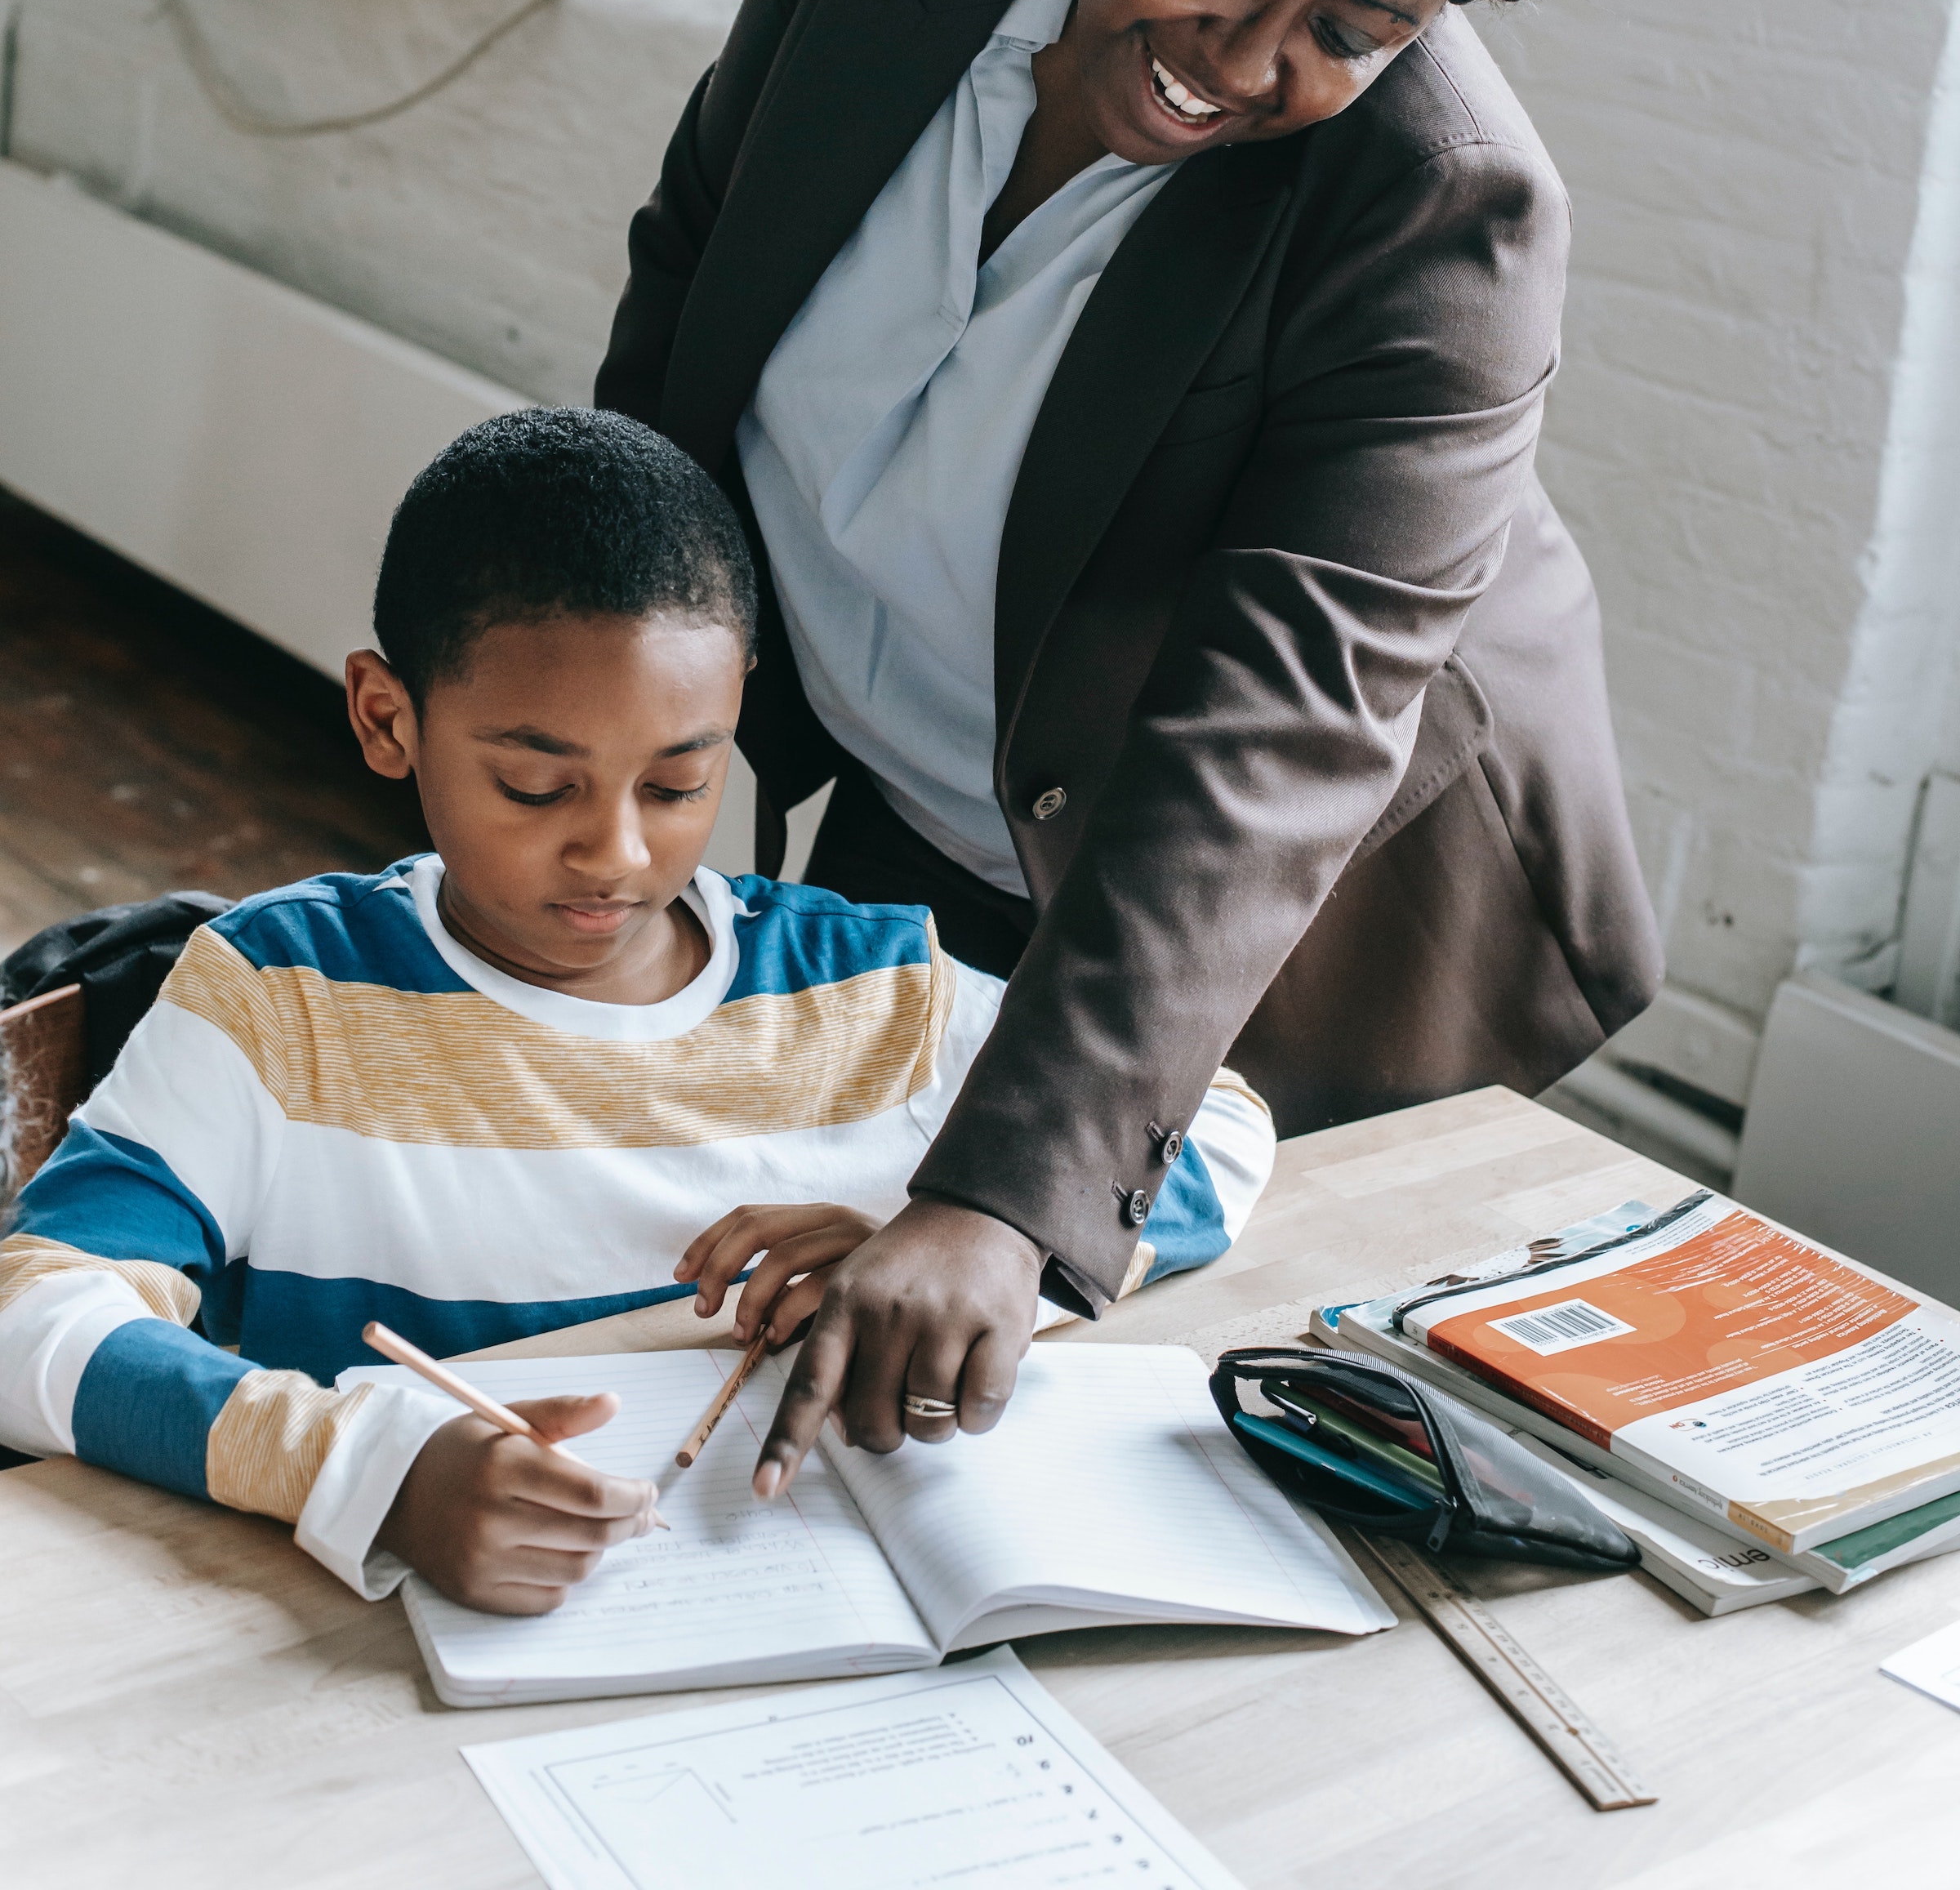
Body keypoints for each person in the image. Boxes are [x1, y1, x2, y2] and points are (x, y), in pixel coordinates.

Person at [595, 0, 1740, 1496]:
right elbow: (694, 289)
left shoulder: (1444, 215)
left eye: (1356, 29)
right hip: (931, 800)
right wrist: (603, 746)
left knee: (1152, 1499)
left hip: (1273, 948)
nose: (1248, 60)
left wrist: (1013, 1199)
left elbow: (1273, 734)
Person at [0, 410, 1271, 1613]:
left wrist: (956, 1246)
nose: (612, 852)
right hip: (391, 1658)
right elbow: (33, 1316)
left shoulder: (868, 986)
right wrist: (363, 1468)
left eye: (679, 783)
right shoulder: (284, 998)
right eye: (536, 786)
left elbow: (1212, 1122)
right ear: (389, 719)